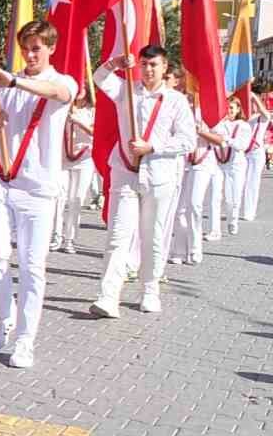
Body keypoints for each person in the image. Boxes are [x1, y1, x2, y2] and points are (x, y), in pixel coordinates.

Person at [0, 21, 77, 370]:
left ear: (50, 48)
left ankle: (25, 339)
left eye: (37, 48)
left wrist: (14, 81)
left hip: (37, 190)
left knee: (32, 267)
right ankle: (5, 318)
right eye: (26, 48)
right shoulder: (9, 83)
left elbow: (57, 95)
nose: (30, 54)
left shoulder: (62, 81)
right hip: (1, 181)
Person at [91, 45, 196, 319]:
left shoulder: (176, 101)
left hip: (159, 177)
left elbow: (188, 140)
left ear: (165, 68)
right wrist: (114, 63)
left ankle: (149, 289)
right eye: (144, 64)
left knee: (154, 236)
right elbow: (99, 78)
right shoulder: (127, 92)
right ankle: (108, 296)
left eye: (154, 65)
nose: (148, 70)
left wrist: (153, 146)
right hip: (125, 172)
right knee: (118, 235)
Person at [172, 92, 226, 267]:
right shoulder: (176, 109)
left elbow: (220, 140)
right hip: (181, 162)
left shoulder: (209, 114)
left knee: (194, 205)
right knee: (178, 209)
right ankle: (179, 249)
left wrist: (201, 131)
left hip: (202, 163)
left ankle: (195, 249)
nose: (188, 96)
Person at [52, 87, 96, 255]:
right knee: (59, 196)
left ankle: (70, 238)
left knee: (76, 199)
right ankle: (56, 236)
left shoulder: (92, 110)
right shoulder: (62, 107)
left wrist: (79, 122)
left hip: (84, 159)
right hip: (63, 159)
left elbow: (95, 132)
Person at [214, 97, 253, 234]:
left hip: (236, 164)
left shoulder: (243, 126)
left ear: (237, 109)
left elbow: (242, 145)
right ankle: (215, 227)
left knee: (234, 197)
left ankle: (233, 219)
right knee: (220, 195)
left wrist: (226, 139)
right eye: (227, 108)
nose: (229, 111)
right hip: (219, 163)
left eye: (231, 108)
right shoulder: (219, 124)